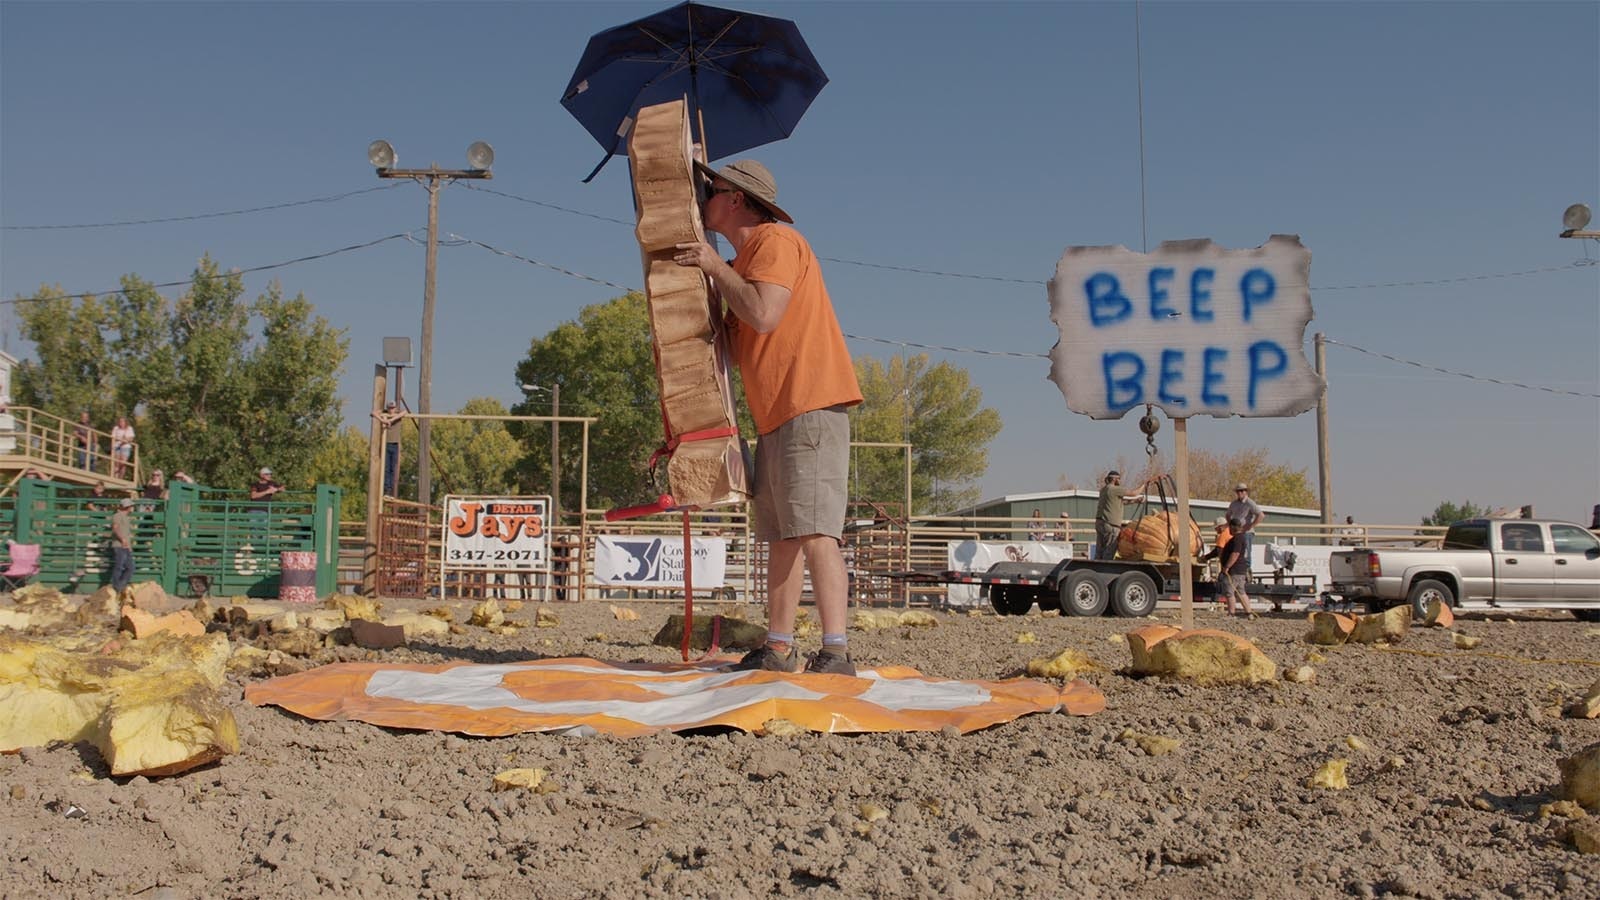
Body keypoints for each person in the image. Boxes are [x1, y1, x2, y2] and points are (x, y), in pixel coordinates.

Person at [672, 158, 863, 676]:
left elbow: (764, 314)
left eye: (709, 190)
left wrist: (714, 269)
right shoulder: (744, 263)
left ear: (735, 198)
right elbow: (734, 348)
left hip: (810, 405)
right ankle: (777, 647)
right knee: (782, 534)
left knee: (817, 531)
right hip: (779, 415)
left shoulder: (775, 243)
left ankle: (837, 652)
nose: (703, 197)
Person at [1095, 470, 1147, 560]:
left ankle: (1095, 569)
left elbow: (1119, 502)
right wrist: (1144, 484)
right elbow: (1134, 493)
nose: (1120, 481)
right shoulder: (1114, 489)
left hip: (1100, 523)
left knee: (1100, 550)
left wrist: (1135, 501)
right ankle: (1105, 570)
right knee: (1109, 550)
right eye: (1119, 479)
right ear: (1114, 479)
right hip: (1111, 525)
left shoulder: (1104, 490)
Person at [1218, 516, 1255, 617]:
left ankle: (1231, 613)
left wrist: (1227, 566)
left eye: (1229, 527)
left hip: (1234, 570)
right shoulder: (1241, 538)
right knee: (1241, 591)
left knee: (1229, 592)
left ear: (1233, 527)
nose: (1228, 530)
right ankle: (1249, 613)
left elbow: (1235, 554)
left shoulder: (1237, 539)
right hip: (1240, 569)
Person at [1226, 482, 1265, 553]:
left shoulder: (1250, 503)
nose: (1240, 493)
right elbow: (1228, 515)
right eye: (1238, 491)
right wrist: (1230, 526)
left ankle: (1247, 564)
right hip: (1236, 532)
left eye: (1242, 491)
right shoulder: (1234, 503)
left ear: (1246, 492)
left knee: (1246, 553)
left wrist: (1250, 526)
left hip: (1246, 532)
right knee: (1236, 552)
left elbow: (1261, 515)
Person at [109, 498, 135, 592]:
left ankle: (120, 585)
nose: (132, 508)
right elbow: (115, 528)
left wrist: (129, 546)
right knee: (119, 566)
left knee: (130, 568)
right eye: (131, 506)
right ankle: (117, 587)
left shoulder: (127, 518)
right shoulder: (117, 516)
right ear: (127, 507)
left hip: (126, 546)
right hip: (119, 545)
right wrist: (122, 539)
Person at [110, 416, 135, 480]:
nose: (121, 423)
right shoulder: (116, 428)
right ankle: (114, 478)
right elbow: (113, 437)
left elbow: (131, 438)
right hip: (117, 446)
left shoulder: (129, 428)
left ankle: (120, 478)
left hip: (125, 446)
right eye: (120, 421)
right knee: (116, 463)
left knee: (123, 463)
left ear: (125, 422)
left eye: (122, 421)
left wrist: (125, 440)